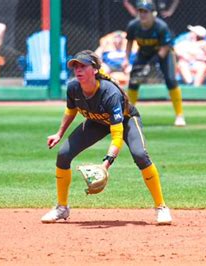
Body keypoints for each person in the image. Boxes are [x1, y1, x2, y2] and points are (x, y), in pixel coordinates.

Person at [41, 50, 172, 225]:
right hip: (96, 121)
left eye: (83, 66)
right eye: (76, 66)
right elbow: (71, 111)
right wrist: (59, 133)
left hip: (125, 121)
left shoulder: (110, 93)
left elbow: (117, 135)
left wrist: (106, 164)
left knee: (140, 156)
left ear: (94, 70)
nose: (78, 70)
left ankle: (161, 207)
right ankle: (62, 208)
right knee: (63, 155)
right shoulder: (73, 88)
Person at [123, 0, 186, 126]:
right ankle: (127, 115)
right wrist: (127, 59)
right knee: (134, 81)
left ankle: (179, 115)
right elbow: (129, 42)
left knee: (171, 80)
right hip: (143, 53)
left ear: (153, 13)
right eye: (140, 11)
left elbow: (166, 46)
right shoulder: (133, 25)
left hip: (163, 54)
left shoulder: (160, 26)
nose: (142, 14)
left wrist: (154, 62)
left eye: (145, 11)